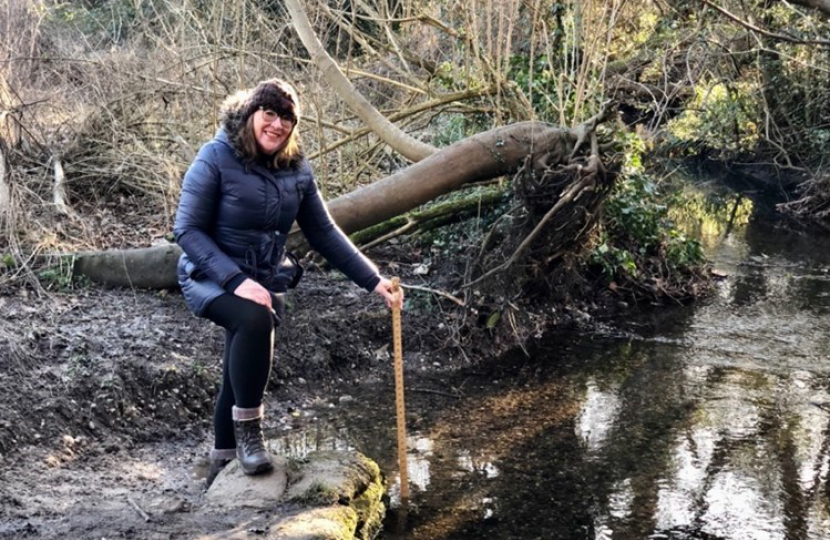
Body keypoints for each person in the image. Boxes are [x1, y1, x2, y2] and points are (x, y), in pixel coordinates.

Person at [173, 78, 402, 486]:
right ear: (251, 114)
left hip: (261, 279)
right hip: (207, 273)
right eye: (271, 113)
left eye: (288, 119)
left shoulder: (296, 170)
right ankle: (249, 437)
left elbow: (324, 232)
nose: (278, 125)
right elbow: (187, 231)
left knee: (237, 366)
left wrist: (373, 280)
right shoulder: (215, 156)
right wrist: (236, 280)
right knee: (256, 319)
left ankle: (221, 462)